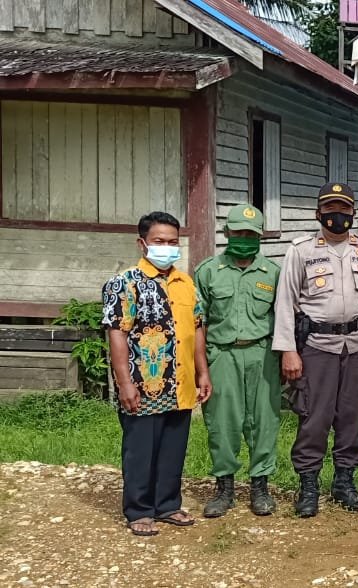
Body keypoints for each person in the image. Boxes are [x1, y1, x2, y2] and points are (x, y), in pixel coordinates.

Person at [273, 182, 358, 517]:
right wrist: (288, 350)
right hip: (317, 346)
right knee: (314, 416)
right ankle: (308, 484)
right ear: (318, 213)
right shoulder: (301, 250)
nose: (338, 214)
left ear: (353, 212)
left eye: (344, 208)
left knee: (353, 416)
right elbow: (285, 302)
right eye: (330, 208)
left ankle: (344, 482)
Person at [103, 212, 212, 536]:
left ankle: (167, 504)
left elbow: (196, 329)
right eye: (159, 241)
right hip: (143, 384)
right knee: (141, 451)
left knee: (173, 449)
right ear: (142, 243)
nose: (167, 247)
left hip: (180, 384)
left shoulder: (186, 283)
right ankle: (139, 510)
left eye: (172, 242)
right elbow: (117, 334)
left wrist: (203, 372)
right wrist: (124, 383)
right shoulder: (125, 283)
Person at [194, 204, 283, 518]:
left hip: (262, 353)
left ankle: (260, 486)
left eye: (251, 234)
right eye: (238, 233)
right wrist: (202, 369)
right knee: (223, 421)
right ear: (227, 232)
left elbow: (284, 319)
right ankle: (224, 487)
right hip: (222, 354)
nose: (244, 238)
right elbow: (199, 324)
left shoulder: (273, 273)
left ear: (259, 236)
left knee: (264, 421)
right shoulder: (208, 271)